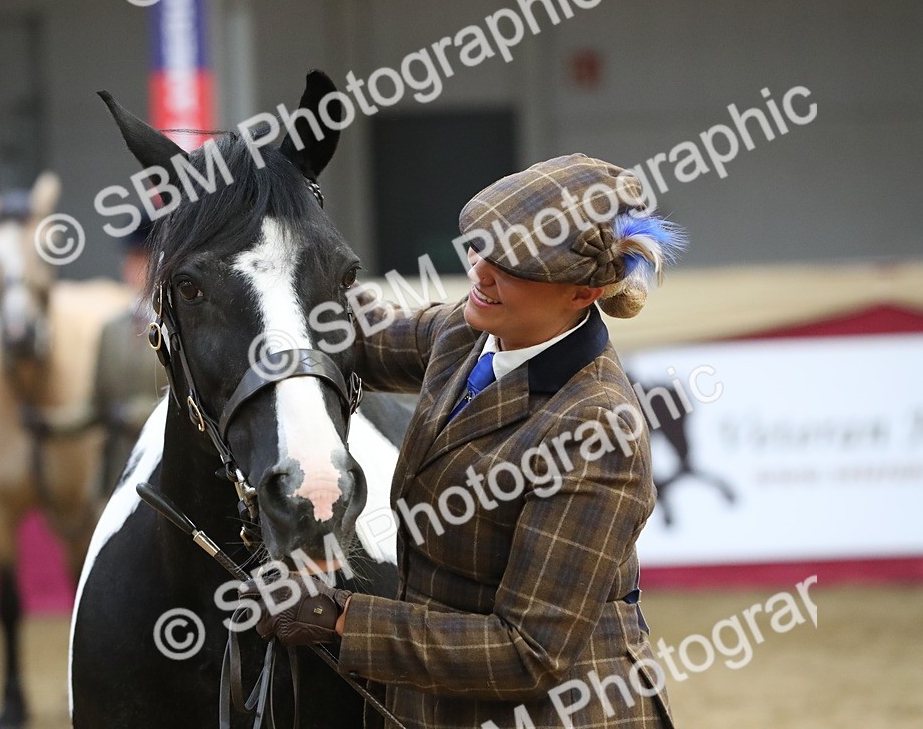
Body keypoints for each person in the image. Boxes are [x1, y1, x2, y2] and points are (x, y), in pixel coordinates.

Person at [245, 154, 684, 728]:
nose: (480, 271)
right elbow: (356, 333)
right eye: (480, 245)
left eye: (513, 266)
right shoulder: (470, 330)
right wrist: (268, 259)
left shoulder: (598, 431)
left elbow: (528, 653)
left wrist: (344, 620)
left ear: (581, 294)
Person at [92, 217, 163, 495]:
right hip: (118, 469)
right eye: (129, 258)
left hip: (163, 465)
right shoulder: (111, 330)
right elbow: (96, 405)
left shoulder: (177, 329)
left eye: (139, 258)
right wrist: (49, 420)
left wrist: (140, 413)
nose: (129, 267)